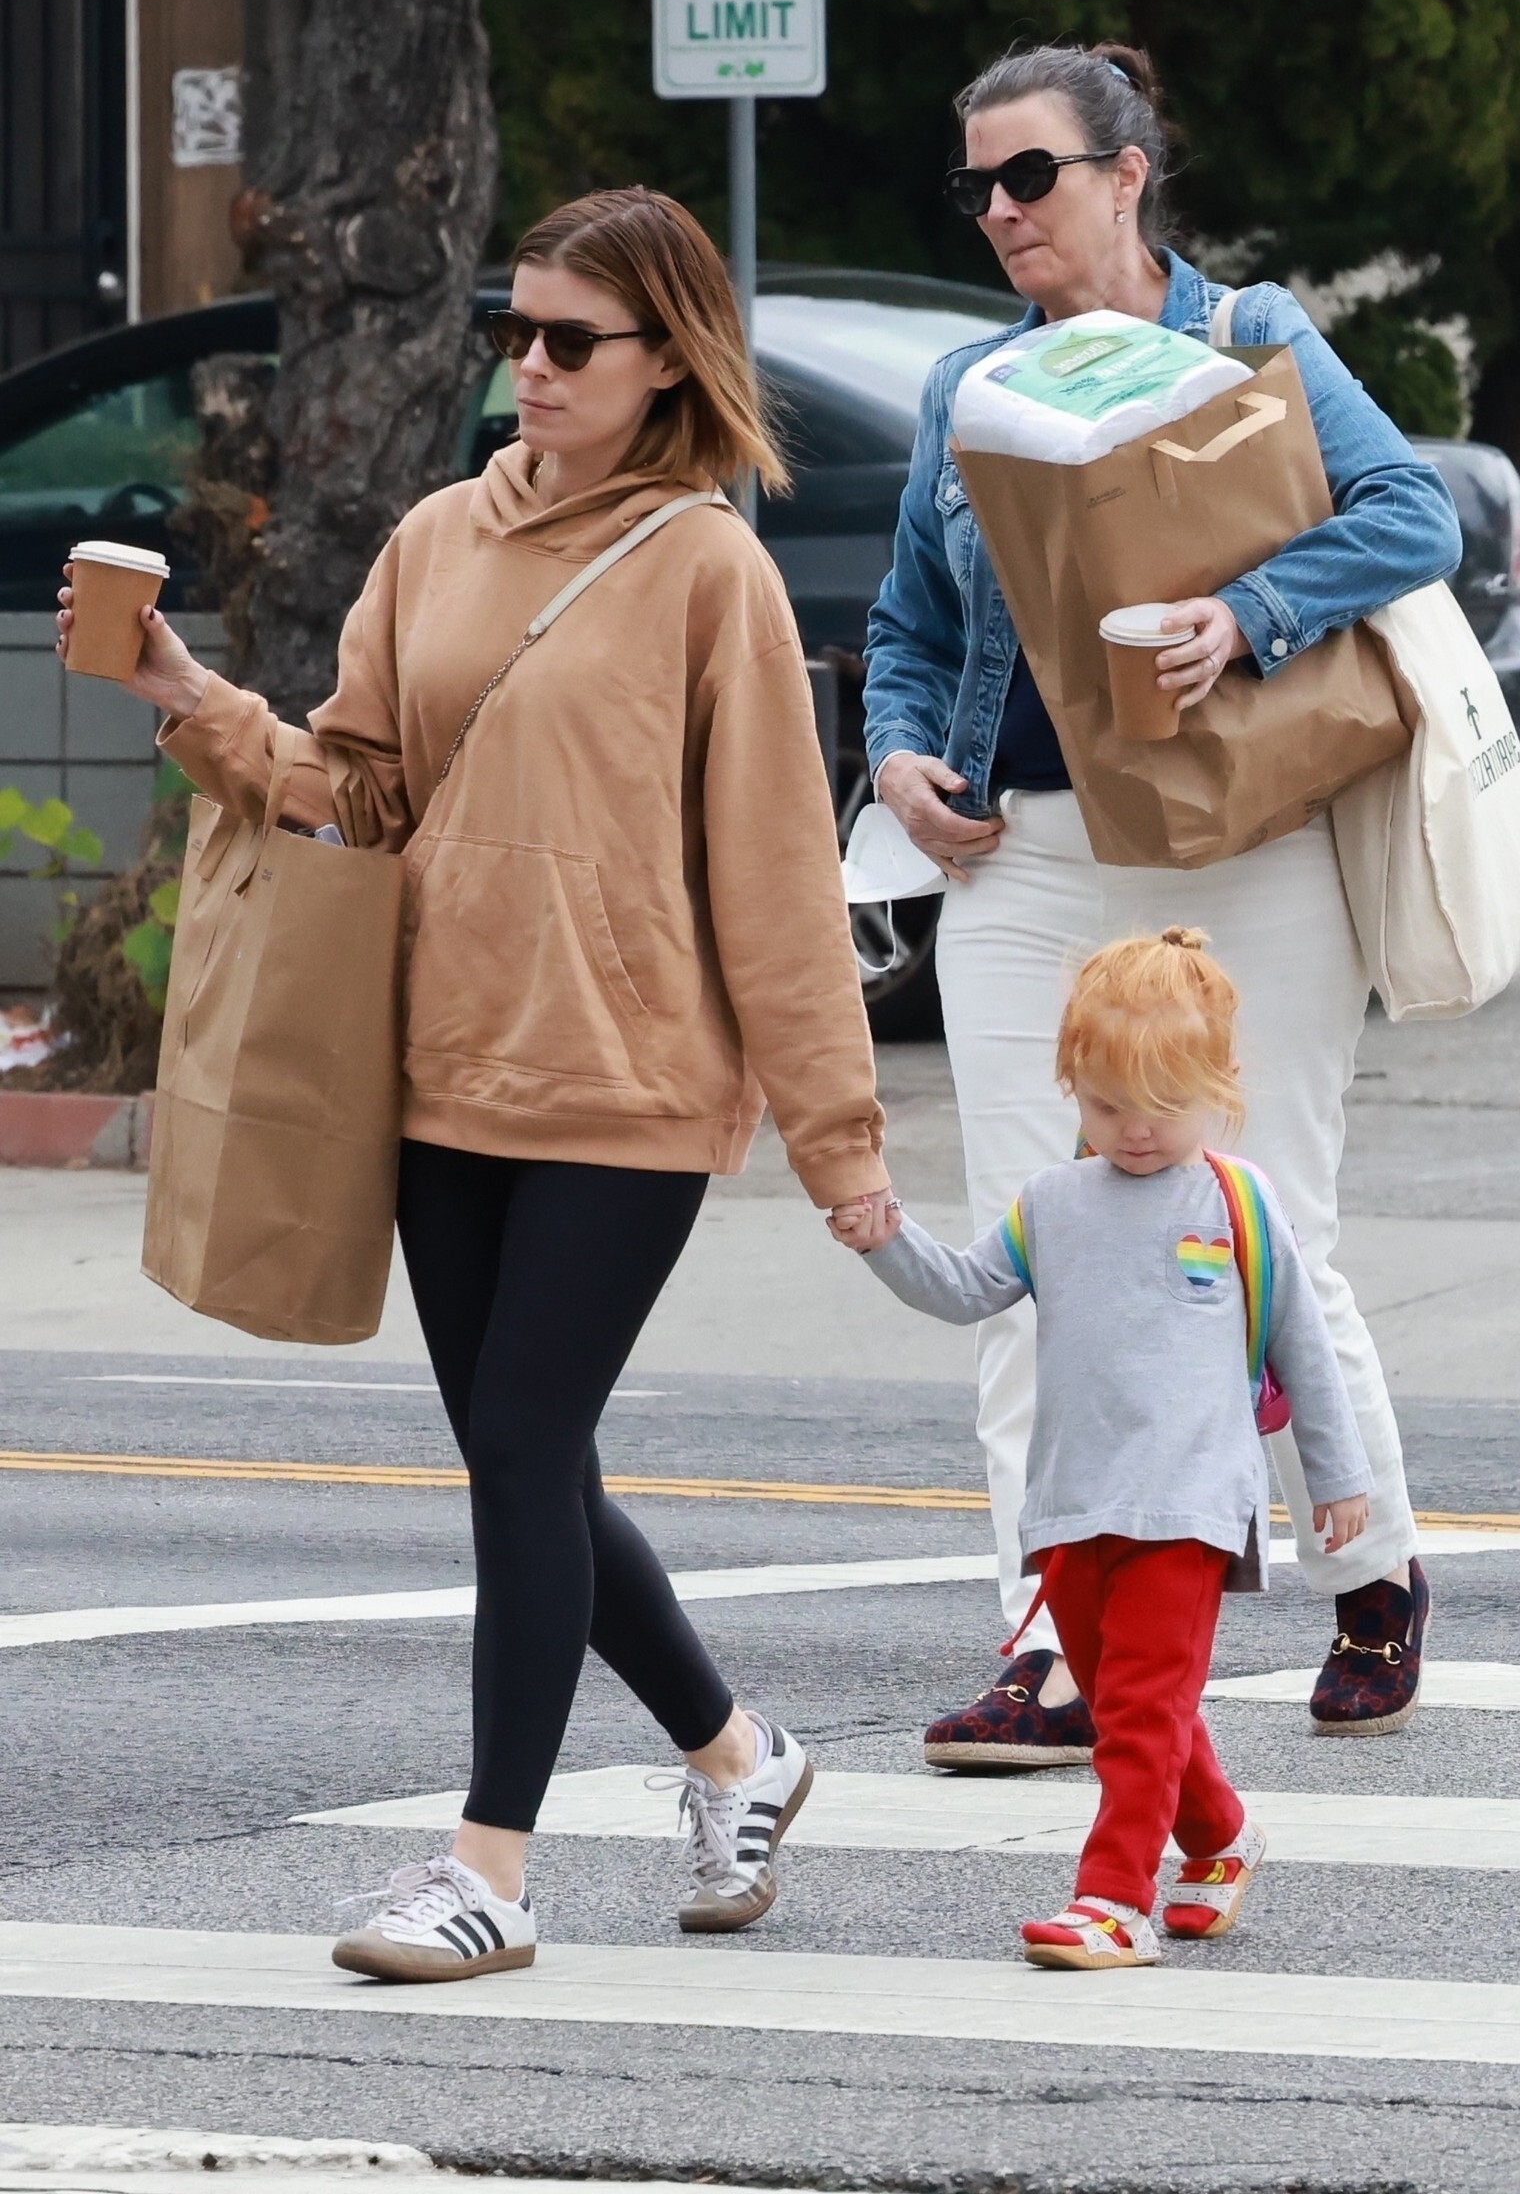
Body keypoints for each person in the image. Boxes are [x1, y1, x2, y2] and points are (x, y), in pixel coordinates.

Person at [58, 186, 896, 1984]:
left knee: (519, 1446)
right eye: (514, 333)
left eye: (571, 339)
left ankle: (490, 1871)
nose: (532, 366)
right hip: (441, 1068)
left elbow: (775, 878)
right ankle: (740, 1757)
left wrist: (839, 1139)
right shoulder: (439, 538)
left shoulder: (710, 571)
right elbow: (360, 791)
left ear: (668, 357)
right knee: (535, 1463)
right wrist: (188, 692)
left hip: (626, 1081)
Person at [865, 42, 1457, 1759]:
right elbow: (910, 626)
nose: (999, 211)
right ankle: (1051, 1643)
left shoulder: (1248, 340)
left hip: (1248, 844)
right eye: (975, 185)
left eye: (1028, 175)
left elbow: (1409, 512)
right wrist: (898, 757)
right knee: (1031, 1251)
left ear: (1127, 175)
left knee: (1276, 1238)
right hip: (1028, 857)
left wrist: (1249, 616)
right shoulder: (971, 388)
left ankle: (1370, 1565)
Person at [831, 929, 1371, 1967]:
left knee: (1138, 1711)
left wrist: (1337, 1482)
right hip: (1074, 1503)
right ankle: (1220, 1838)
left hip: (1190, 1503)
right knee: (1135, 1704)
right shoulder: (1052, 1203)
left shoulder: (1237, 1201)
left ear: (1221, 1080)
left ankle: (1113, 1900)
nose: (1136, 1129)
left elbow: (1304, 1350)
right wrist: (885, 1238)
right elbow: (964, 1290)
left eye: (1165, 1104)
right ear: (1070, 1084)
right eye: (1108, 1104)